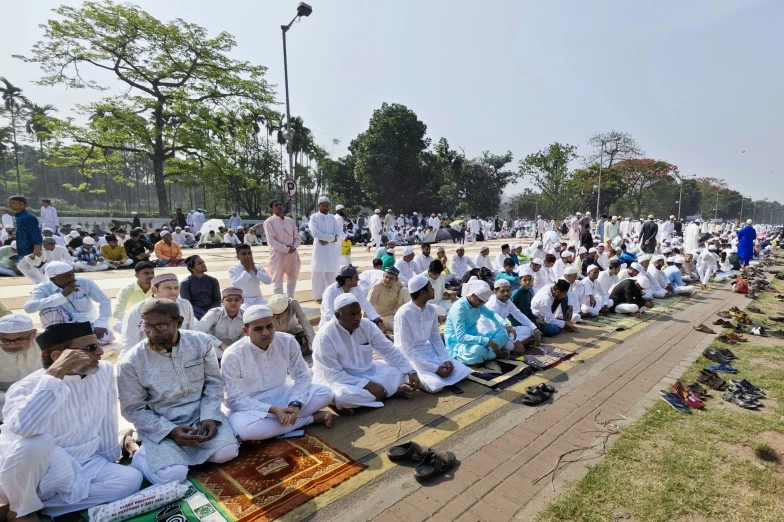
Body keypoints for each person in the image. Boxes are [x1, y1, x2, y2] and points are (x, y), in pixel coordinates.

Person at [0, 322, 143, 520]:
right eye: (91, 348)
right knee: (36, 443)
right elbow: (23, 429)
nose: (101, 352)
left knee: (130, 479)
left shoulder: (103, 371)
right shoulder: (26, 388)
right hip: (39, 469)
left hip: (87, 461)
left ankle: (40, 505)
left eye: (98, 344)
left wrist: (109, 456)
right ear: (58, 357)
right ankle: (22, 507)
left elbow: (107, 416)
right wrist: (53, 377)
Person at [117, 299, 239, 485]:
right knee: (172, 476)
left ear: (179, 322)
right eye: (147, 326)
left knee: (228, 452)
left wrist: (210, 416)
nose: (152, 332)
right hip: (162, 424)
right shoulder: (130, 362)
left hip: (200, 417)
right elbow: (132, 409)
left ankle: (180, 456)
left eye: (160, 326)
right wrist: (169, 430)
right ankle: (132, 446)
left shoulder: (200, 342)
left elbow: (214, 382)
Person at [220, 305, 333, 441]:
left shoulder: (287, 341)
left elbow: (302, 375)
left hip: (283, 393)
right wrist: (273, 410)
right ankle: (310, 419)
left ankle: (278, 424)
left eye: (269, 326)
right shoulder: (233, 355)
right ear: (245, 331)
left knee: (326, 393)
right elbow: (233, 399)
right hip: (251, 403)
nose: (266, 332)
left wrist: (295, 404)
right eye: (258, 329)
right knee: (244, 430)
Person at [312, 293, 420, 413]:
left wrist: (410, 370)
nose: (357, 318)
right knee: (342, 396)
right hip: (340, 380)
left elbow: (388, 349)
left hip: (367, 371)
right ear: (337, 315)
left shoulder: (366, 325)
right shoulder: (325, 337)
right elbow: (333, 375)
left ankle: (370, 398)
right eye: (351, 314)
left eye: (358, 313)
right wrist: (367, 385)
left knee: (400, 371)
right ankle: (389, 392)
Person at [395, 274, 471, 392]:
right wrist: (435, 369)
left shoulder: (431, 309)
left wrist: (446, 359)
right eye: (431, 287)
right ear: (423, 293)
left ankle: (437, 371)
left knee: (464, 371)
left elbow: (435, 338)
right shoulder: (404, 313)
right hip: (411, 357)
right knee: (435, 386)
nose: (433, 289)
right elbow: (407, 349)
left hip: (428, 351)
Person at [24, 261, 113, 345]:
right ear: (53, 278)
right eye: (67, 275)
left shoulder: (85, 282)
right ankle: (74, 342)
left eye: (72, 273)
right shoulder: (43, 288)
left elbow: (104, 301)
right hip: (61, 327)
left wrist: (101, 323)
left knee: (107, 336)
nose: (72, 277)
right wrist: (62, 295)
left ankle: (67, 343)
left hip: (86, 325)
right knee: (48, 309)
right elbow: (29, 307)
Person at [120, 273, 195, 354]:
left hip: (181, 352)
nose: (173, 291)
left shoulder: (185, 304)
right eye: (168, 288)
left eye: (176, 288)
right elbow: (128, 343)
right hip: (150, 354)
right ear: (154, 290)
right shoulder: (137, 310)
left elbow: (191, 332)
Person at [444, 280, 511, 365]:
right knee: (478, 351)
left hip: (475, 337)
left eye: (484, 302)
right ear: (472, 295)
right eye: (480, 301)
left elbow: (492, 315)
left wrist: (506, 325)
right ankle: (494, 354)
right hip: (458, 344)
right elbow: (461, 338)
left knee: (502, 334)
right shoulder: (459, 309)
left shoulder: (477, 304)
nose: (482, 304)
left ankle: (487, 355)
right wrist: (485, 341)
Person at [0, 314, 41, 424]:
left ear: (33, 333)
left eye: (20, 339)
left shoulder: (48, 342)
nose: (12, 346)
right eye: (4, 340)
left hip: (42, 398)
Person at [482, 279, 541, 355]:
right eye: (502, 291)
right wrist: (515, 341)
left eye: (508, 290)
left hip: (504, 329)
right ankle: (520, 343)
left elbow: (519, 315)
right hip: (492, 333)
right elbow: (496, 328)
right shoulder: (493, 305)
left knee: (528, 329)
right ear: (495, 292)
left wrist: (535, 329)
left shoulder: (507, 302)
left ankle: (520, 343)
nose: (506, 293)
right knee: (510, 346)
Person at [263, 199, 302, 298]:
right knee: (277, 280)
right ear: (271, 209)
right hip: (278, 255)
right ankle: (279, 302)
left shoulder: (290, 221)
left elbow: (297, 238)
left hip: (292, 253)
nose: (279, 206)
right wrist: (285, 249)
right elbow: (271, 240)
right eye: (276, 205)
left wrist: (293, 247)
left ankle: (290, 300)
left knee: (292, 278)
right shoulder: (269, 222)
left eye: (280, 204)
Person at [194, 287, 245, 358]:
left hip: (237, 350)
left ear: (242, 301)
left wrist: (235, 348)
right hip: (216, 349)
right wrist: (221, 344)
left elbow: (248, 336)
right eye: (229, 300)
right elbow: (197, 330)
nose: (233, 303)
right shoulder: (214, 313)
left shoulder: (245, 316)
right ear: (222, 301)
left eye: (237, 300)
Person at [112, 261, 155, 332]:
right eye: (146, 273)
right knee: (117, 325)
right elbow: (117, 312)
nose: (151, 276)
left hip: (153, 322)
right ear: (137, 275)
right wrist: (136, 321)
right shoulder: (127, 289)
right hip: (133, 321)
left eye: (152, 273)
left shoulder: (157, 288)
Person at [368, 267, 411, 332]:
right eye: (386, 277)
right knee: (399, 328)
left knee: (405, 290)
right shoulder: (377, 287)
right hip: (384, 316)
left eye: (391, 278)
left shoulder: (398, 284)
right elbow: (368, 306)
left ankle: (413, 314)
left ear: (396, 280)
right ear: (383, 276)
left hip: (396, 311)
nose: (387, 280)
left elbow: (403, 297)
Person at [180, 255, 221, 320]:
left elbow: (217, 299)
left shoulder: (213, 280)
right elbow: (187, 304)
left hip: (213, 312)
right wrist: (204, 314)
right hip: (195, 314)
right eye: (199, 263)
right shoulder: (185, 283)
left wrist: (211, 312)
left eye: (203, 262)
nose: (203, 265)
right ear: (191, 268)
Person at [7, 197, 42, 267]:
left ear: (21, 204)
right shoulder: (19, 217)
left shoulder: (28, 217)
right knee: (26, 268)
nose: (10, 205)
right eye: (9, 203)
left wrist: (37, 247)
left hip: (29, 247)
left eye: (13, 203)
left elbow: (36, 233)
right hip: (22, 247)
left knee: (29, 268)